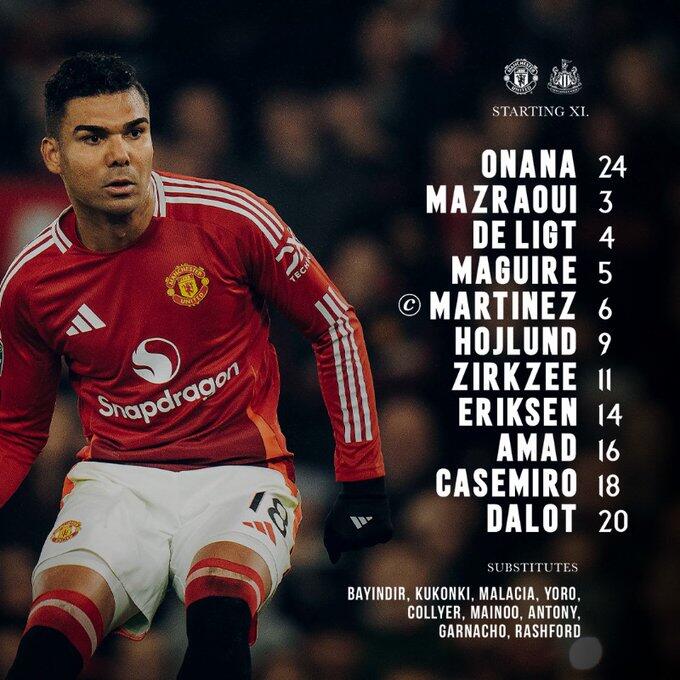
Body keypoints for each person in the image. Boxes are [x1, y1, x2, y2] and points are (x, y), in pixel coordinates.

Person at [0, 52, 393, 679]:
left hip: (239, 474)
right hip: (117, 481)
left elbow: (334, 325)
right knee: (47, 646)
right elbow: (18, 427)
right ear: (53, 155)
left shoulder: (231, 218)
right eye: (93, 137)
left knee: (218, 621)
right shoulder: (31, 284)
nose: (121, 155)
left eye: (134, 131)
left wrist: (363, 479)